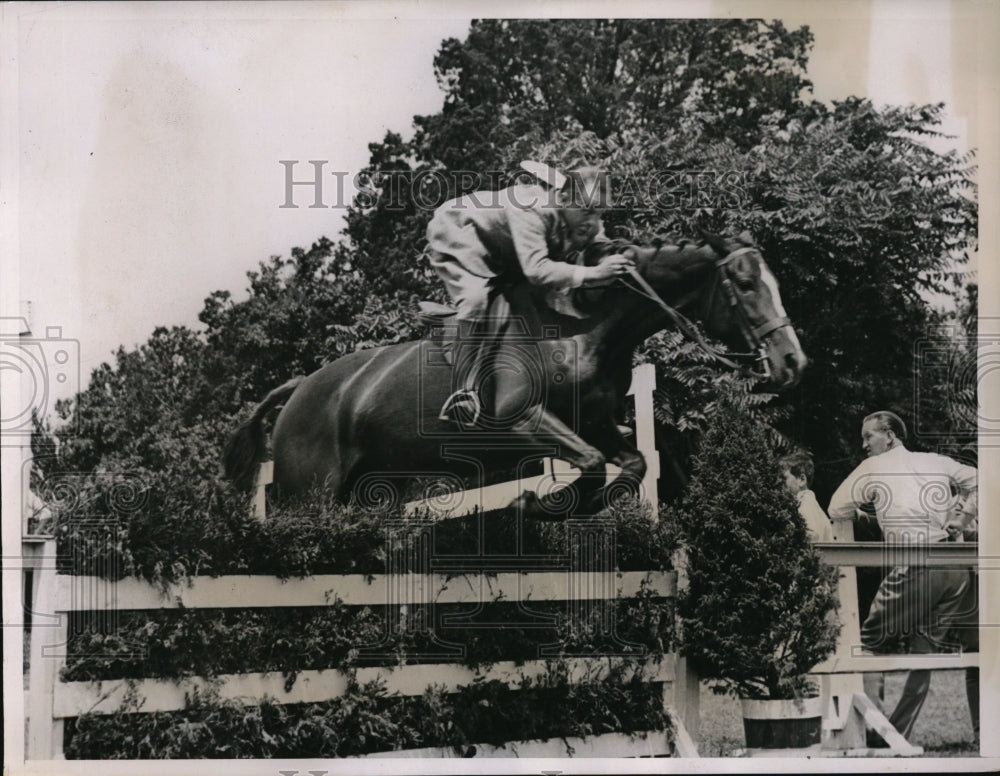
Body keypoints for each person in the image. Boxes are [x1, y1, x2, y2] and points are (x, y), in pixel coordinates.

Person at [425, 162, 634, 425]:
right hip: (460, 233)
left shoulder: (580, 211)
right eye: (587, 211)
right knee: (478, 299)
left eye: (599, 212)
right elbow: (537, 270)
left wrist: (621, 257)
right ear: (563, 198)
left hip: (506, 246)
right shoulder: (531, 208)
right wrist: (595, 274)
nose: (593, 221)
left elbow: (599, 244)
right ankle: (465, 392)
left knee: (544, 302)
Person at [827, 411, 978, 742]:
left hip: (916, 564)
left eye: (868, 436)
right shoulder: (935, 461)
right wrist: (963, 519)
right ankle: (896, 732)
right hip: (955, 568)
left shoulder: (872, 468)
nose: (863, 444)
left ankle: (875, 733)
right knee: (924, 653)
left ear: (890, 436)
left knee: (866, 644)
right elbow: (983, 479)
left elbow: (836, 509)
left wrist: (872, 509)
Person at [779, 451, 833, 542]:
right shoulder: (807, 504)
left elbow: (812, 535)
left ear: (802, 480)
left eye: (783, 478)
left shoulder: (806, 505)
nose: (778, 482)